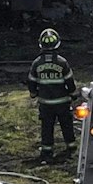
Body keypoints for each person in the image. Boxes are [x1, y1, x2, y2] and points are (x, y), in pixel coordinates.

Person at [27, 29, 78, 159]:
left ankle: (47, 150)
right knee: (66, 125)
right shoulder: (62, 62)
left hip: (45, 103)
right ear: (57, 44)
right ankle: (71, 146)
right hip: (62, 102)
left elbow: (31, 81)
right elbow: (69, 81)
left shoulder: (36, 63)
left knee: (47, 127)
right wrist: (73, 94)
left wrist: (33, 93)